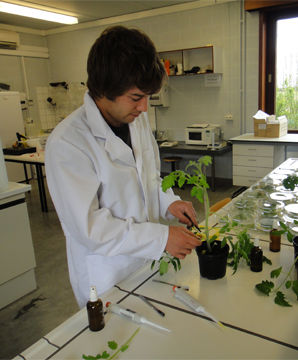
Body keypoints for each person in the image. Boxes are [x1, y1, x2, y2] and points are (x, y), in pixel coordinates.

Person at [45, 25, 201, 308]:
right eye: (136, 97)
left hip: (147, 261)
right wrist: (162, 238)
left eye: (147, 98)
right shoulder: (67, 143)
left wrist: (168, 202)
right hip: (107, 275)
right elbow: (89, 229)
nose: (144, 108)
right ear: (105, 88)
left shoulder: (135, 119)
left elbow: (148, 176)